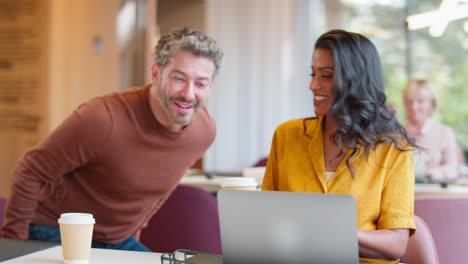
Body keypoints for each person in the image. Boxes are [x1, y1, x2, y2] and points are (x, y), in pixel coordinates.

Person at [1, 27, 223, 251]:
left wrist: (132, 237)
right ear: (156, 73)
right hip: (55, 231)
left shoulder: (204, 132)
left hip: (116, 241)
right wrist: (14, 248)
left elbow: (157, 192)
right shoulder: (102, 118)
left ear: (210, 86)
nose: (188, 94)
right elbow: (30, 170)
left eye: (201, 84)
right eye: (179, 78)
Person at [262, 29, 416, 264]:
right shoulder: (287, 135)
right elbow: (266, 218)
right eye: (312, 74)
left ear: (356, 81)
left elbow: (396, 244)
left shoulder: (393, 149)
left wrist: (334, 232)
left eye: (326, 75)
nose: (313, 85)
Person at [403, 78, 459, 183]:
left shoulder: (444, 132)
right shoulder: (396, 132)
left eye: (420, 101)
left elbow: (453, 170)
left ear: (432, 104)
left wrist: (430, 173)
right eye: (409, 101)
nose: (414, 107)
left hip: (431, 192)